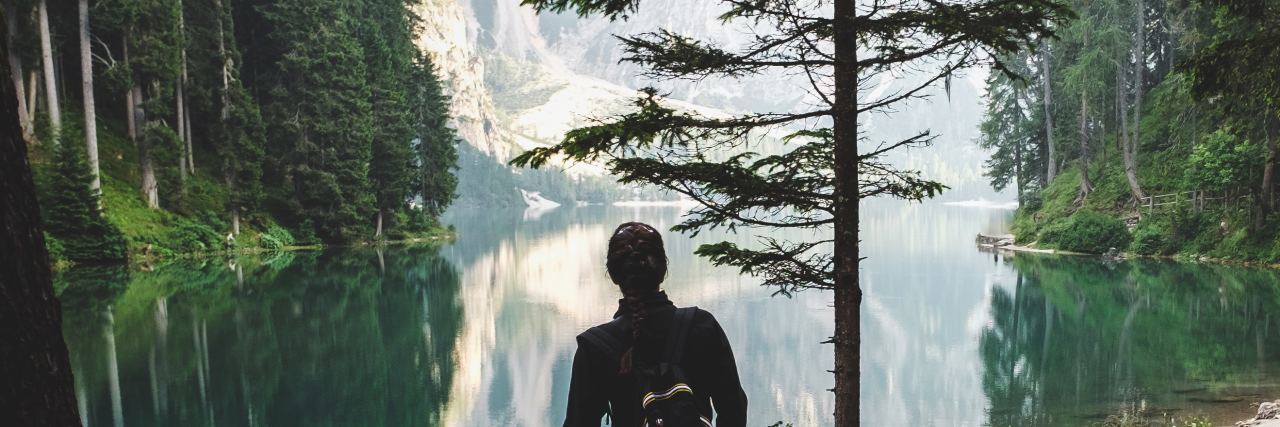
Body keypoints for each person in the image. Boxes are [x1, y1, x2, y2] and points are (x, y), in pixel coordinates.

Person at [564, 222, 747, 426]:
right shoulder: (702, 325)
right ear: (663, 269)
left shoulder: (594, 347)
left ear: (614, 276)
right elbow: (734, 409)